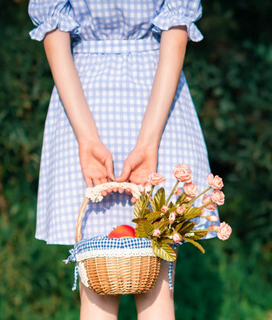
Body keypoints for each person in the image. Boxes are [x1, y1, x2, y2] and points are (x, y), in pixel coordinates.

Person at [28, 0, 218, 319]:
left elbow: (54, 28)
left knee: (97, 288)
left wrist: (87, 138)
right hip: (156, 91)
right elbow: (175, 30)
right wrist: (149, 141)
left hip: (84, 93)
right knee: (155, 287)